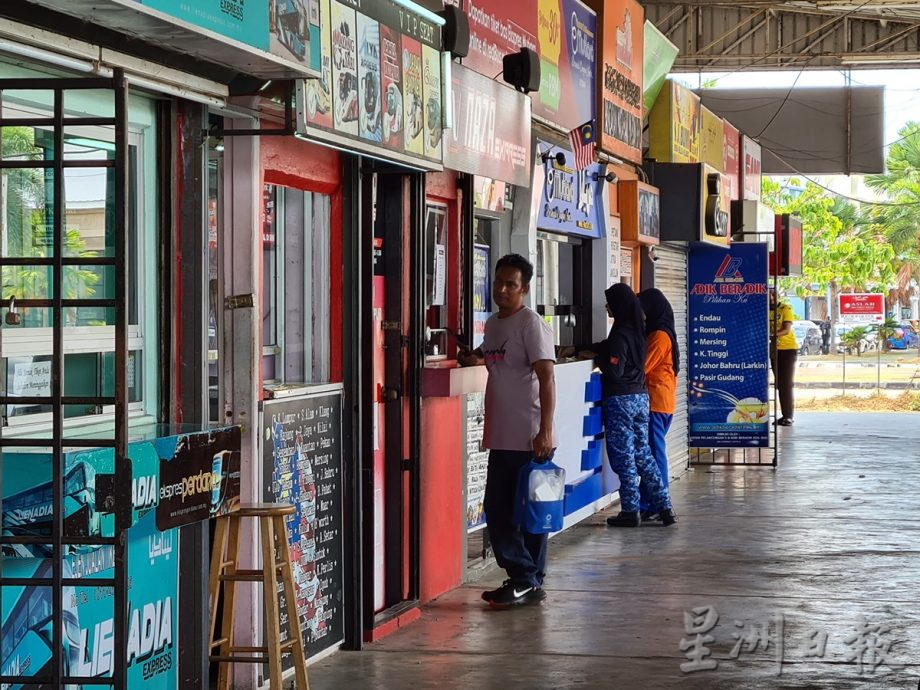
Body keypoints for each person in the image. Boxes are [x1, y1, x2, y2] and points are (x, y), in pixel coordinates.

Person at [458, 253, 556, 609]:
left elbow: (547, 378)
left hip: (529, 437)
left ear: (525, 289)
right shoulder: (496, 323)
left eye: (510, 285)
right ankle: (528, 581)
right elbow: (488, 354)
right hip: (502, 435)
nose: (502, 289)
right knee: (501, 511)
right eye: (498, 282)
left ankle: (525, 578)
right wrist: (474, 357)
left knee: (520, 514)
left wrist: (545, 431)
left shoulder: (531, 325)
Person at [570, 284, 675, 528]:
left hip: (621, 401)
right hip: (640, 398)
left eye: (610, 303)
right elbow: (612, 350)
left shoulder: (621, 334)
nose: (607, 307)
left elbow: (615, 370)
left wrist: (601, 362)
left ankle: (630, 511)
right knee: (644, 454)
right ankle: (665, 507)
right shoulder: (639, 332)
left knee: (624, 458)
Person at [637, 288, 679, 523]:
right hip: (660, 401)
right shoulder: (658, 332)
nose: (640, 313)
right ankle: (649, 502)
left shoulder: (659, 336)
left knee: (653, 454)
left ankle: (659, 501)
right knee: (650, 454)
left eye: (642, 308)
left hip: (656, 402)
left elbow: (643, 366)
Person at [769, 288, 797, 426]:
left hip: (787, 349)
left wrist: (770, 335)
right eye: (768, 295)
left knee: (786, 383)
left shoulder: (785, 309)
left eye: (773, 295)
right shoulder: (762, 310)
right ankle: (785, 415)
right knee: (779, 383)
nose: (771, 298)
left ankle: (788, 416)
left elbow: (786, 330)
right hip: (773, 349)